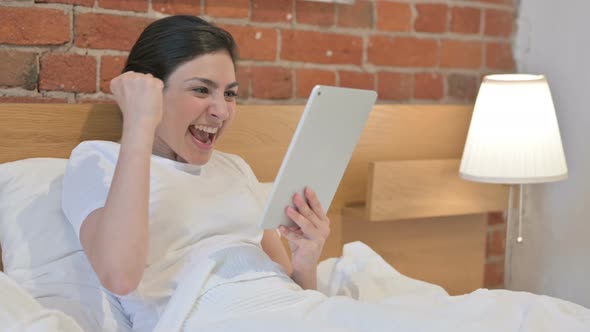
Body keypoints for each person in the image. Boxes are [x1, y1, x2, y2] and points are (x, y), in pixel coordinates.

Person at [61, 15, 330, 331]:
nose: (222, 110)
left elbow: (292, 297)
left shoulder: (236, 168)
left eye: (229, 93)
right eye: (202, 90)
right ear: (150, 93)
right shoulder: (98, 160)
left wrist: (305, 261)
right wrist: (138, 123)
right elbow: (119, 276)